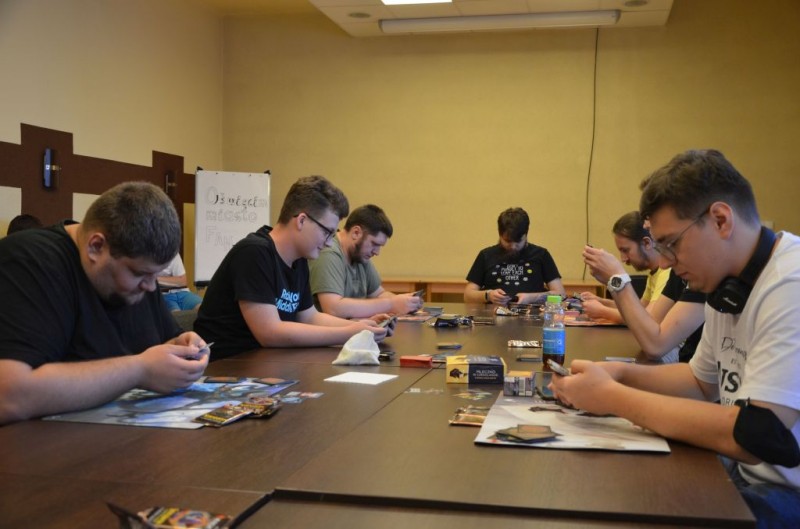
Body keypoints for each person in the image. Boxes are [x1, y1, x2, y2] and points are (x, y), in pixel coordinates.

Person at [552, 150, 800, 527]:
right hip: (750, 475)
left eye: (671, 243)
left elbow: (759, 435)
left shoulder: (789, 284)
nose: (665, 261)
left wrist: (613, 397)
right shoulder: (727, 284)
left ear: (720, 220)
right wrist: (618, 374)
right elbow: (699, 382)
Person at [0, 182, 210, 425]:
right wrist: (140, 370)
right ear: (96, 246)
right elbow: (10, 396)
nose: (151, 287)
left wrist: (182, 349)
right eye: (139, 274)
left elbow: (163, 344)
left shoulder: (140, 280)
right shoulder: (28, 262)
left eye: (155, 275)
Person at [195, 176, 389, 360]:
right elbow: (269, 333)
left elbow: (309, 317)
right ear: (301, 220)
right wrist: (348, 333)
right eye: (327, 232)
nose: (330, 242)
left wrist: (359, 326)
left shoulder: (299, 260)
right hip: (227, 366)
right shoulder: (254, 253)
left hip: (267, 362)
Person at [309, 204, 423, 319]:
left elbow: (379, 294)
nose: (377, 252)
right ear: (356, 233)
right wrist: (390, 304)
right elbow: (333, 308)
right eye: (374, 244)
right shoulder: (328, 253)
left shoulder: (359, 255)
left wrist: (406, 302)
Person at [580, 211, 670, 324]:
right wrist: (601, 302)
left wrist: (602, 311)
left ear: (647, 243)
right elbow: (638, 308)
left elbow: (647, 319)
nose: (623, 259)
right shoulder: (654, 273)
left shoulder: (667, 272)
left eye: (625, 250)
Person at [465, 207, 565, 305]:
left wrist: (531, 298)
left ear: (526, 234)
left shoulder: (541, 254)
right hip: (493, 313)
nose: (513, 246)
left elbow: (561, 295)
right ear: (500, 234)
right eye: (507, 241)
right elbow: (468, 295)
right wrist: (488, 295)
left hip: (531, 313)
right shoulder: (486, 255)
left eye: (518, 241)